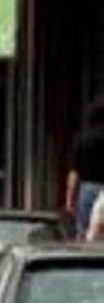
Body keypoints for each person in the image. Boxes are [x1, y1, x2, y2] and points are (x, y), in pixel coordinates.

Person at [64, 99, 104, 238]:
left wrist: (69, 199)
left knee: (84, 230)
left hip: (87, 188)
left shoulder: (82, 140)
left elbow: (74, 172)